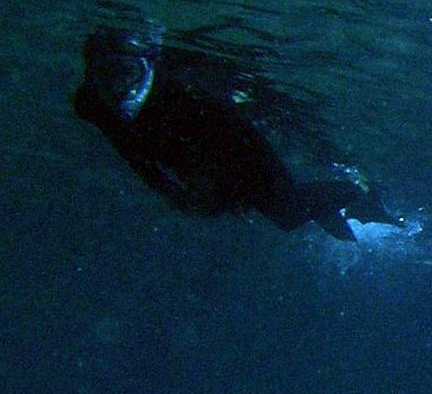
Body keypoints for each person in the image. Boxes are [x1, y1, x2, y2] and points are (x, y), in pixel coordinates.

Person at [73, 28, 402, 240]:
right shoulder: (96, 105)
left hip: (236, 150)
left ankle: (360, 189)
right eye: (106, 76)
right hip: (199, 160)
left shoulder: (182, 90)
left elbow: (238, 136)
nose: (118, 86)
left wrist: (217, 186)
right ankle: (333, 205)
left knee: (285, 211)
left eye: (125, 72)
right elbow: (133, 155)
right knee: (285, 211)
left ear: (145, 66)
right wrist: (176, 192)